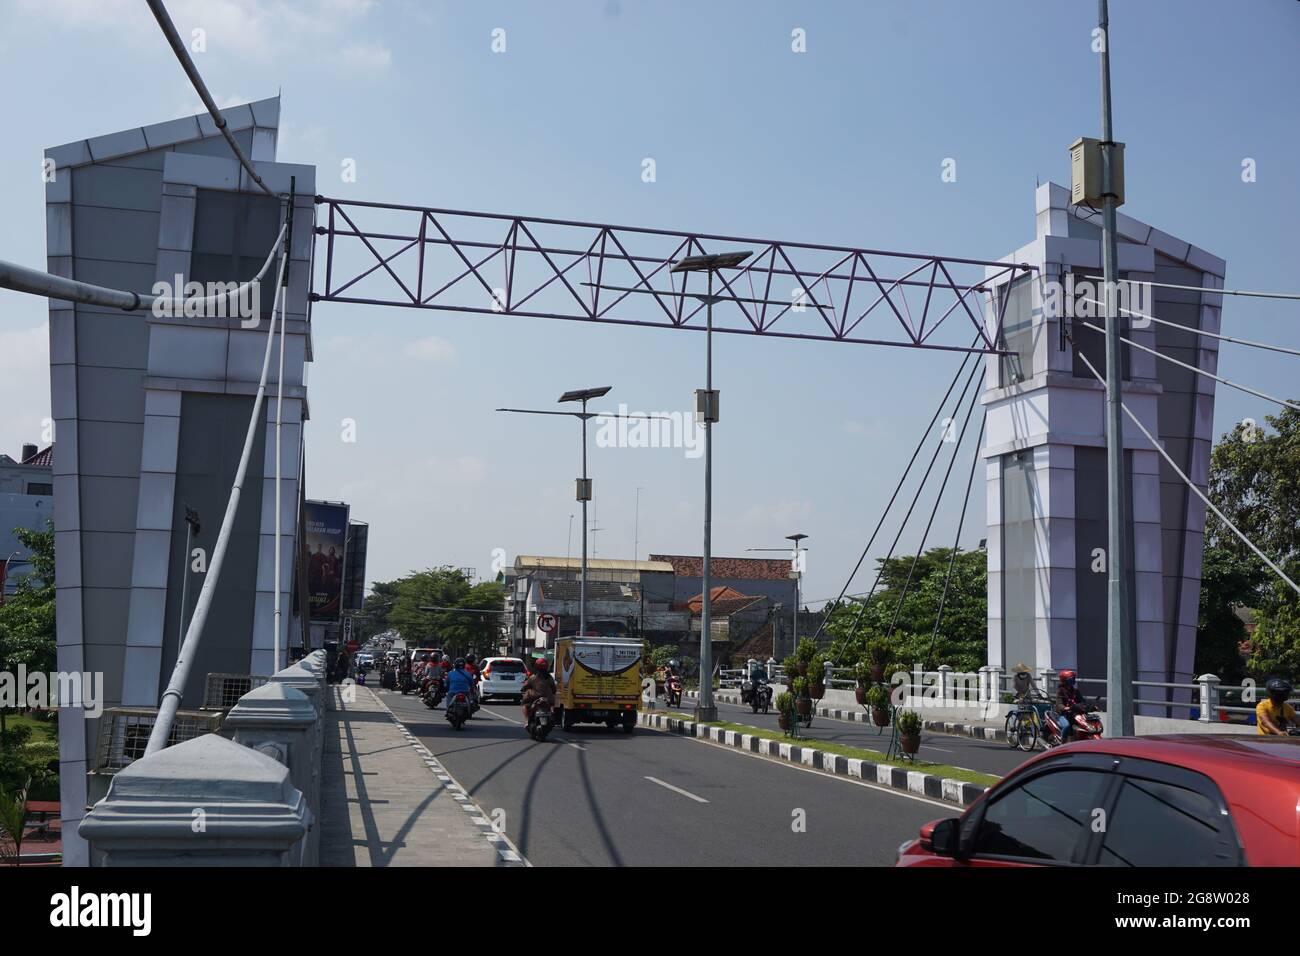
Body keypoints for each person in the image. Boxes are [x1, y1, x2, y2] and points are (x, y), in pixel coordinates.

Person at [1052, 669, 1090, 744]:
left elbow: (1082, 701)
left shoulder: (1075, 691)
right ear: (1065, 680)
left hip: (1073, 713)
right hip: (1062, 714)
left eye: (1073, 678)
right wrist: (1065, 708)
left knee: (1085, 724)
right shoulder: (1060, 691)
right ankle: (1062, 743)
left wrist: (1089, 706)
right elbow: (1059, 704)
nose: (1073, 680)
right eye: (1071, 679)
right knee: (1066, 726)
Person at [521, 657, 557, 726]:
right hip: (548, 698)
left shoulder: (533, 677)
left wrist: (523, 689)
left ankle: (527, 720)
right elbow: (554, 688)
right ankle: (552, 715)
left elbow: (525, 686)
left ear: (536, 667)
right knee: (552, 704)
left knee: (525, 704)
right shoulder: (549, 677)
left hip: (534, 697)